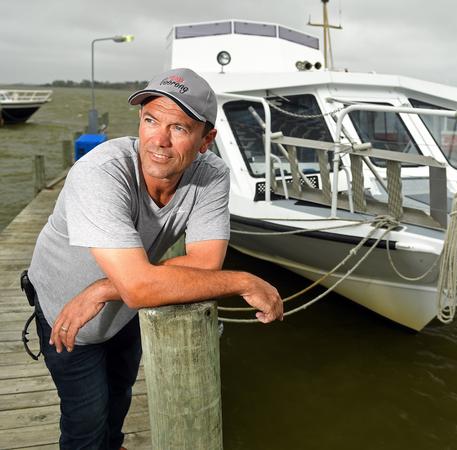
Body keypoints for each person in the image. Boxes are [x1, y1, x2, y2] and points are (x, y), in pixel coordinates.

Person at [27, 67, 283, 450]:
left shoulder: (211, 175)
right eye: (151, 120)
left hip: (124, 311)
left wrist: (104, 288)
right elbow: (143, 285)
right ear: (140, 120)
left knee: (118, 403)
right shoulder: (99, 173)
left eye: (178, 128)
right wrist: (244, 281)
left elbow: (204, 265)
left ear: (205, 140)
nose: (159, 141)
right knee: (85, 422)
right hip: (67, 314)